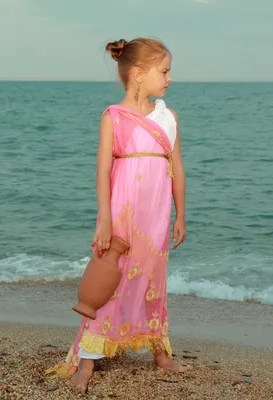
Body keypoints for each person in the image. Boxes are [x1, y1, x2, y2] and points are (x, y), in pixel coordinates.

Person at [46, 37, 191, 393]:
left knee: (154, 281)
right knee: (111, 279)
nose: (170, 78)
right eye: (165, 71)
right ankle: (86, 361)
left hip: (156, 212)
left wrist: (181, 215)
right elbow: (102, 172)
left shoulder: (167, 117)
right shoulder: (113, 117)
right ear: (139, 74)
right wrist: (106, 220)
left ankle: (160, 351)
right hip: (123, 210)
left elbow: (178, 168)